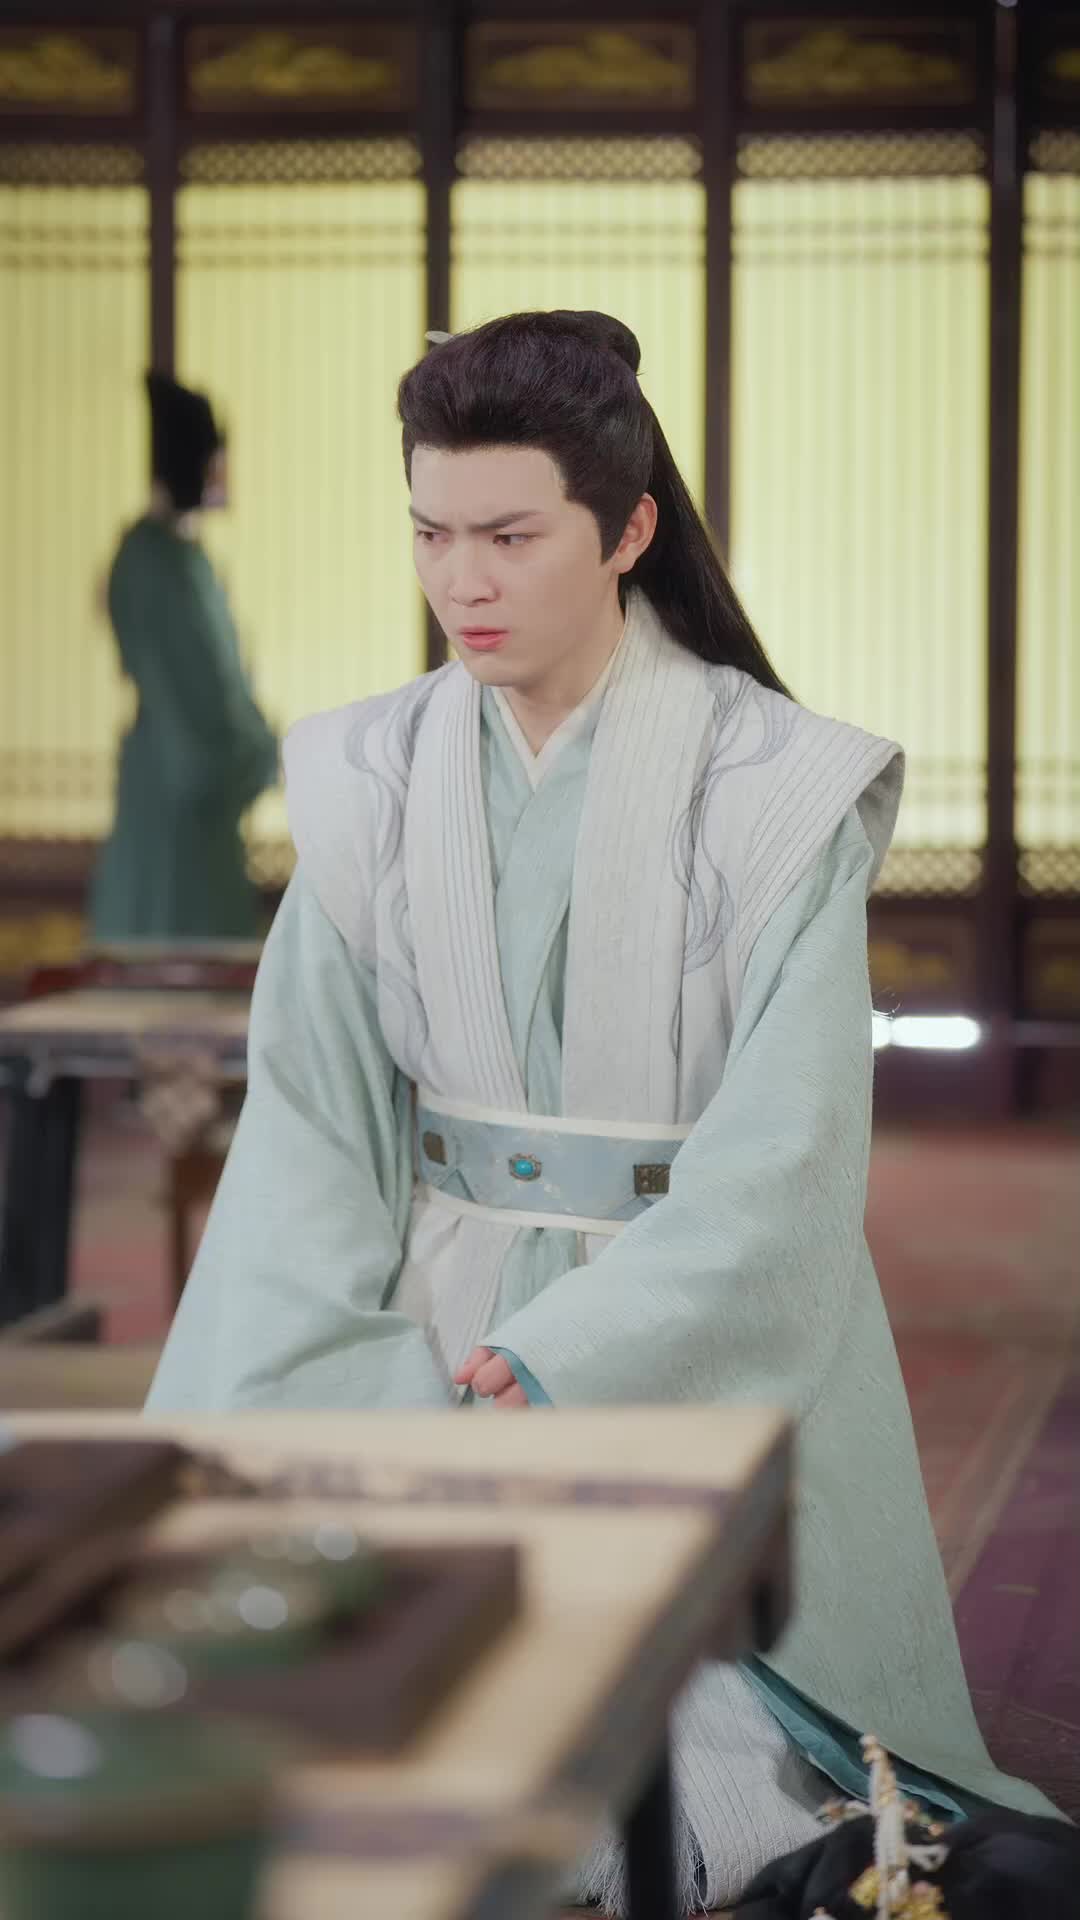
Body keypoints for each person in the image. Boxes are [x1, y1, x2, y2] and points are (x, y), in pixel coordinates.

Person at [147, 312, 1058, 1909]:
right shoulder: (369, 779)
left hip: (690, 1336)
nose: (463, 582)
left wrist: (572, 1354)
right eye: (432, 534)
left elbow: (785, 1164)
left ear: (629, 530)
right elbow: (308, 1128)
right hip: (428, 1322)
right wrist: (369, 1378)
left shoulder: (774, 788)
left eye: (511, 537)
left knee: (691, 1784)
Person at [90, 373, 278, 942]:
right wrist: (248, 750)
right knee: (166, 935)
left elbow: (221, 677)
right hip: (178, 775)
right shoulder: (149, 563)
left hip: (198, 780)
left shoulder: (182, 560)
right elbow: (190, 681)